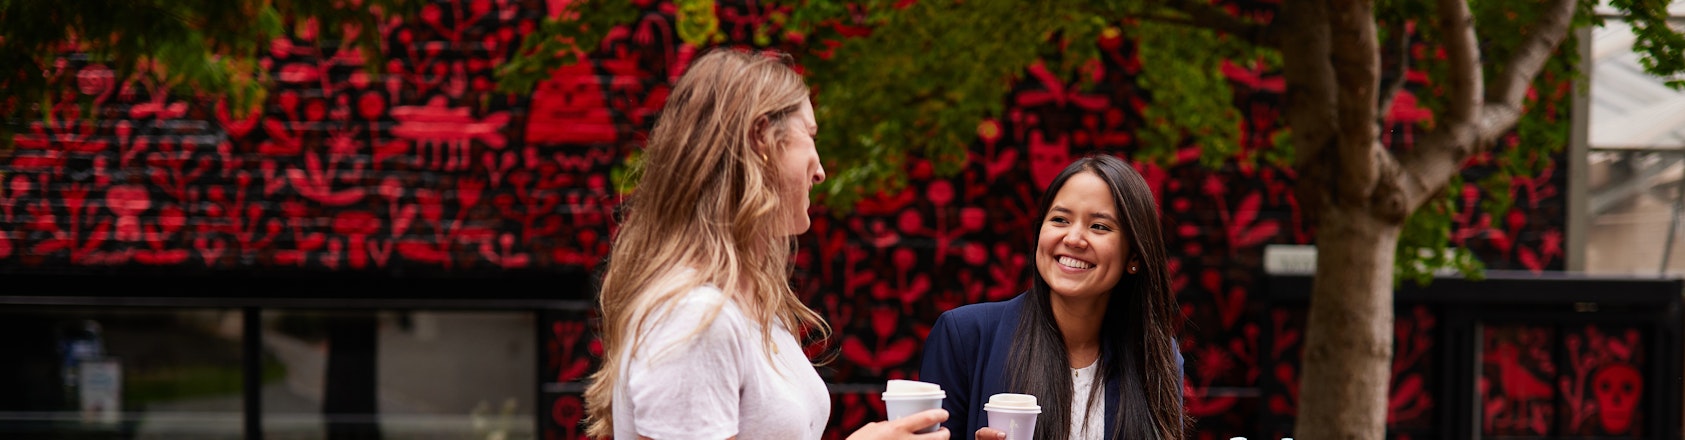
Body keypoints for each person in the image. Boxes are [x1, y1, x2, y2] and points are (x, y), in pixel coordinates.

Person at [581, 48, 950, 440]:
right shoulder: (695, 316)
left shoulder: (747, 304)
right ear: (761, 138)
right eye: (809, 136)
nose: (821, 170)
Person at [920, 155, 1188, 440]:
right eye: (1060, 220)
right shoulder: (965, 337)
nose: (1073, 239)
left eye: (1099, 226)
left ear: (1134, 255)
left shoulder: (1155, 356)